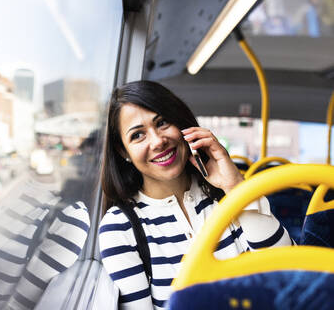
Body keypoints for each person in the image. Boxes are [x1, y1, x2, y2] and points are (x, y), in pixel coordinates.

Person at [98, 80, 293, 310]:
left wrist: (237, 188)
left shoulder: (226, 196)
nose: (158, 141)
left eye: (162, 123)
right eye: (138, 135)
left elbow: (289, 274)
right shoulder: (120, 227)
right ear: (123, 152)